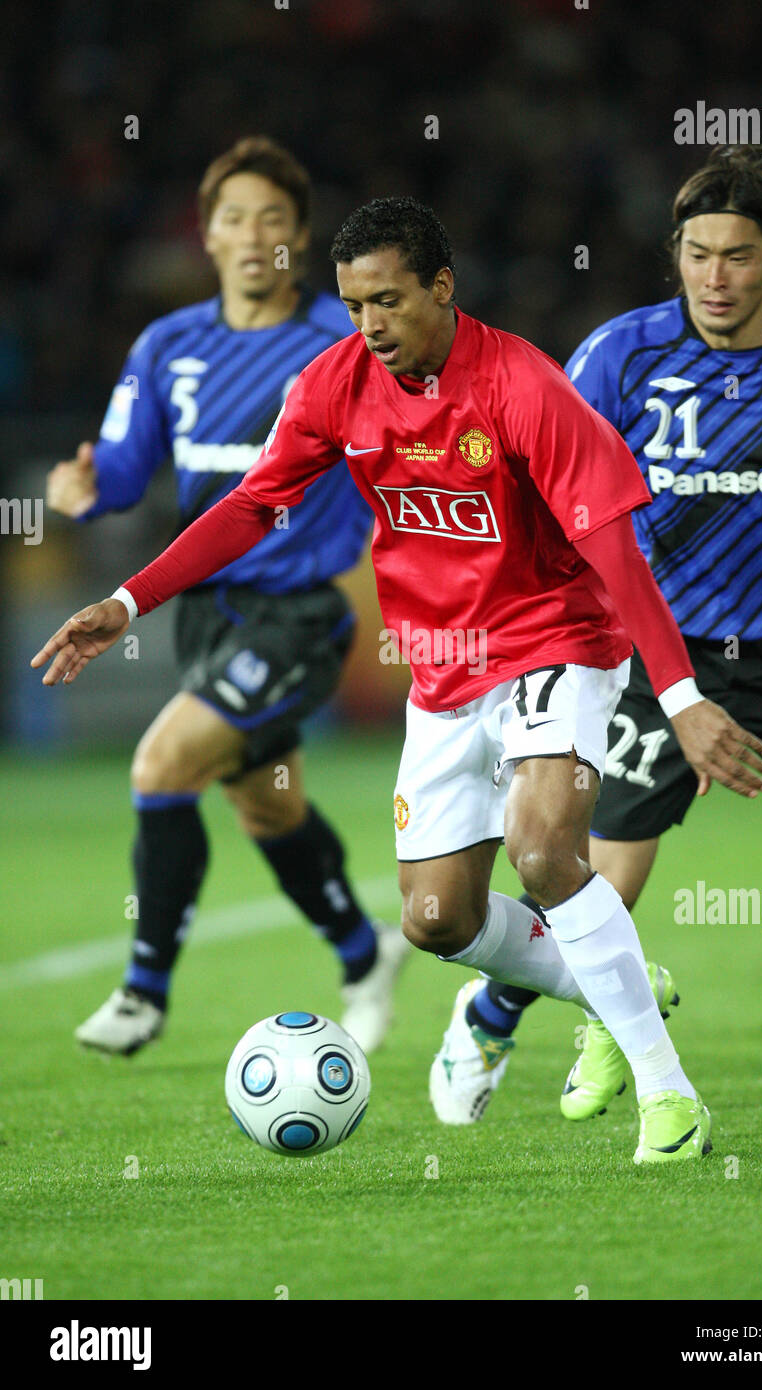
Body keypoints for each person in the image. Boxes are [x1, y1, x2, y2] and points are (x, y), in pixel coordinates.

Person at [32, 196, 762, 1164]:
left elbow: (615, 550)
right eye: (351, 304)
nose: (369, 324)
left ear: (441, 286)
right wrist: (128, 603)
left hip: (555, 640)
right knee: (435, 920)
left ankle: (667, 1095)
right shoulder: (335, 383)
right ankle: (586, 975)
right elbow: (256, 505)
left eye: (387, 299)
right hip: (439, 668)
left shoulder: (523, 386)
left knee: (545, 849)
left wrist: (680, 701)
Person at [455, 146, 762, 1127]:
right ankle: (504, 1015)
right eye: (695, 254)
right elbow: (550, 499)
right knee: (594, 886)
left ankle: (564, 1018)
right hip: (655, 655)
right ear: (673, 256)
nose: (713, 277)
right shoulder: (617, 357)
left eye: (734, 255)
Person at [46, 137, 407, 1058]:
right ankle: (367, 956)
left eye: (275, 220)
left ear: (300, 237)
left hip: (300, 615)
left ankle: (142, 990)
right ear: (206, 234)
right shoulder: (167, 345)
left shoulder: (341, 339)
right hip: (207, 616)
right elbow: (125, 472)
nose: (255, 236)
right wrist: (84, 489)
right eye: (235, 217)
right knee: (268, 805)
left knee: (163, 763)